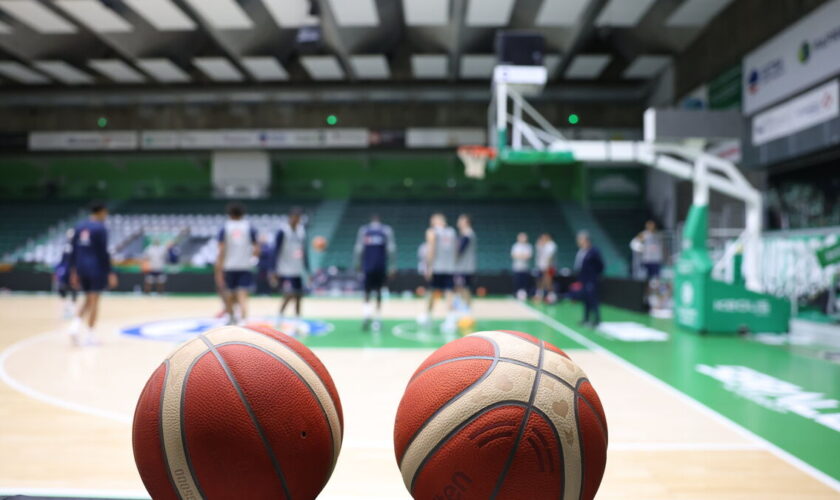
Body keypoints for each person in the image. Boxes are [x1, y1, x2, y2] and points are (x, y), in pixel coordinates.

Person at [69, 202, 117, 346]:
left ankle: (75, 326)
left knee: (88, 298)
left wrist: (73, 271)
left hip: (81, 268)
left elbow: (73, 251)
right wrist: (110, 272)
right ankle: (90, 335)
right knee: (94, 300)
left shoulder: (79, 226)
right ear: (101, 212)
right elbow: (103, 252)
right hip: (96, 268)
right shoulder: (100, 228)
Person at [215, 202, 258, 325]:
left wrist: (219, 268)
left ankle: (230, 317)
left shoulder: (225, 227)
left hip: (229, 266)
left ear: (229, 214)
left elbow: (221, 249)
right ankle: (244, 321)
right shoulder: (249, 227)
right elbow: (257, 248)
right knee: (242, 296)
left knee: (228, 294)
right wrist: (252, 260)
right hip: (245, 266)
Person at [354, 214, 396, 332]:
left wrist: (357, 264)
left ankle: (367, 314)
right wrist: (392, 266)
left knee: (367, 291)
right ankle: (377, 318)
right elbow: (391, 249)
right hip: (380, 267)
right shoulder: (386, 231)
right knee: (378, 292)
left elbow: (358, 249)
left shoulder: (364, 230)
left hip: (368, 267)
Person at [421, 213, 458, 332]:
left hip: (436, 268)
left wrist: (428, 266)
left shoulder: (432, 232)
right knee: (449, 294)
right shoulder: (452, 232)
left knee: (432, 293)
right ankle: (450, 321)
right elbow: (456, 250)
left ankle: (427, 317)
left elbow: (431, 249)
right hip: (450, 268)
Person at [273, 208, 308, 329]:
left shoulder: (301, 231)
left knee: (299, 296)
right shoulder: (283, 231)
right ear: (290, 217)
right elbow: (276, 250)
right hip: (284, 269)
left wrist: (307, 268)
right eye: (295, 217)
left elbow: (304, 250)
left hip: (297, 269)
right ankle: (280, 316)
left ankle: (297, 320)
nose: (297, 220)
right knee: (289, 294)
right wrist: (273, 269)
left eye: (298, 217)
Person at [572, 231, 604, 327]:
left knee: (593, 300)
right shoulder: (581, 251)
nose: (578, 241)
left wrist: (594, 276)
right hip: (583, 279)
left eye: (580, 239)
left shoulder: (594, 251)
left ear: (585, 240)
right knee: (585, 300)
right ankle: (586, 319)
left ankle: (597, 320)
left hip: (591, 280)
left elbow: (600, 265)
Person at [454, 214, 477, 311]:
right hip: (464, 266)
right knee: (461, 287)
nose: (458, 222)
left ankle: (466, 309)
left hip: (465, 267)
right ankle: (464, 306)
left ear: (466, 222)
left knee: (463, 287)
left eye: (461, 220)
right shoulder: (466, 234)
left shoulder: (468, 234)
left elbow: (459, 250)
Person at [54, 228, 77, 319]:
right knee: (62, 289)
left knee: (74, 290)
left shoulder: (77, 247)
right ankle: (66, 307)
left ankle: (72, 309)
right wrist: (58, 270)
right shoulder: (66, 247)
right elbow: (62, 260)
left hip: (74, 271)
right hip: (65, 271)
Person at [535, 233, 557, 303]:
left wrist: (547, 266)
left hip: (549, 266)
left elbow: (550, 257)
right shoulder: (544, 245)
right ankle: (542, 295)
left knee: (548, 282)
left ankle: (552, 297)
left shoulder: (551, 245)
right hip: (543, 266)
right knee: (541, 281)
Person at [511, 232, 533, 300]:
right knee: (517, 281)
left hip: (525, 267)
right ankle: (516, 293)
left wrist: (520, 256)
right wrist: (522, 256)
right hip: (517, 267)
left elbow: (529, 256)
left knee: (525, 281)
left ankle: (524, 293)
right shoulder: (515, 246)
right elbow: (514, 255)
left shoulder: (529, 246)